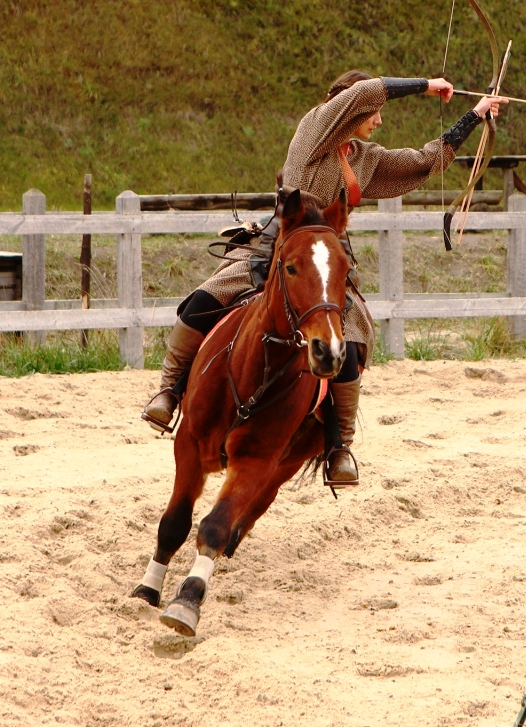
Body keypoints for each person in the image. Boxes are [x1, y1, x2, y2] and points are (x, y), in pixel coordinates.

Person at [142, 72, 506, 482]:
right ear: (348, 108)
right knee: (204, 301)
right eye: (373, 112)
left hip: (328, 259)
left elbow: (424, 162)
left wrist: (474, 116)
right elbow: (365, 91)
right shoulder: (315, 130)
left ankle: (339, 446)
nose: (379, 120)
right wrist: (426, 85)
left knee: (349, 344)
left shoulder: (365, 158)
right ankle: (169, 392)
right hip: (281, 241)